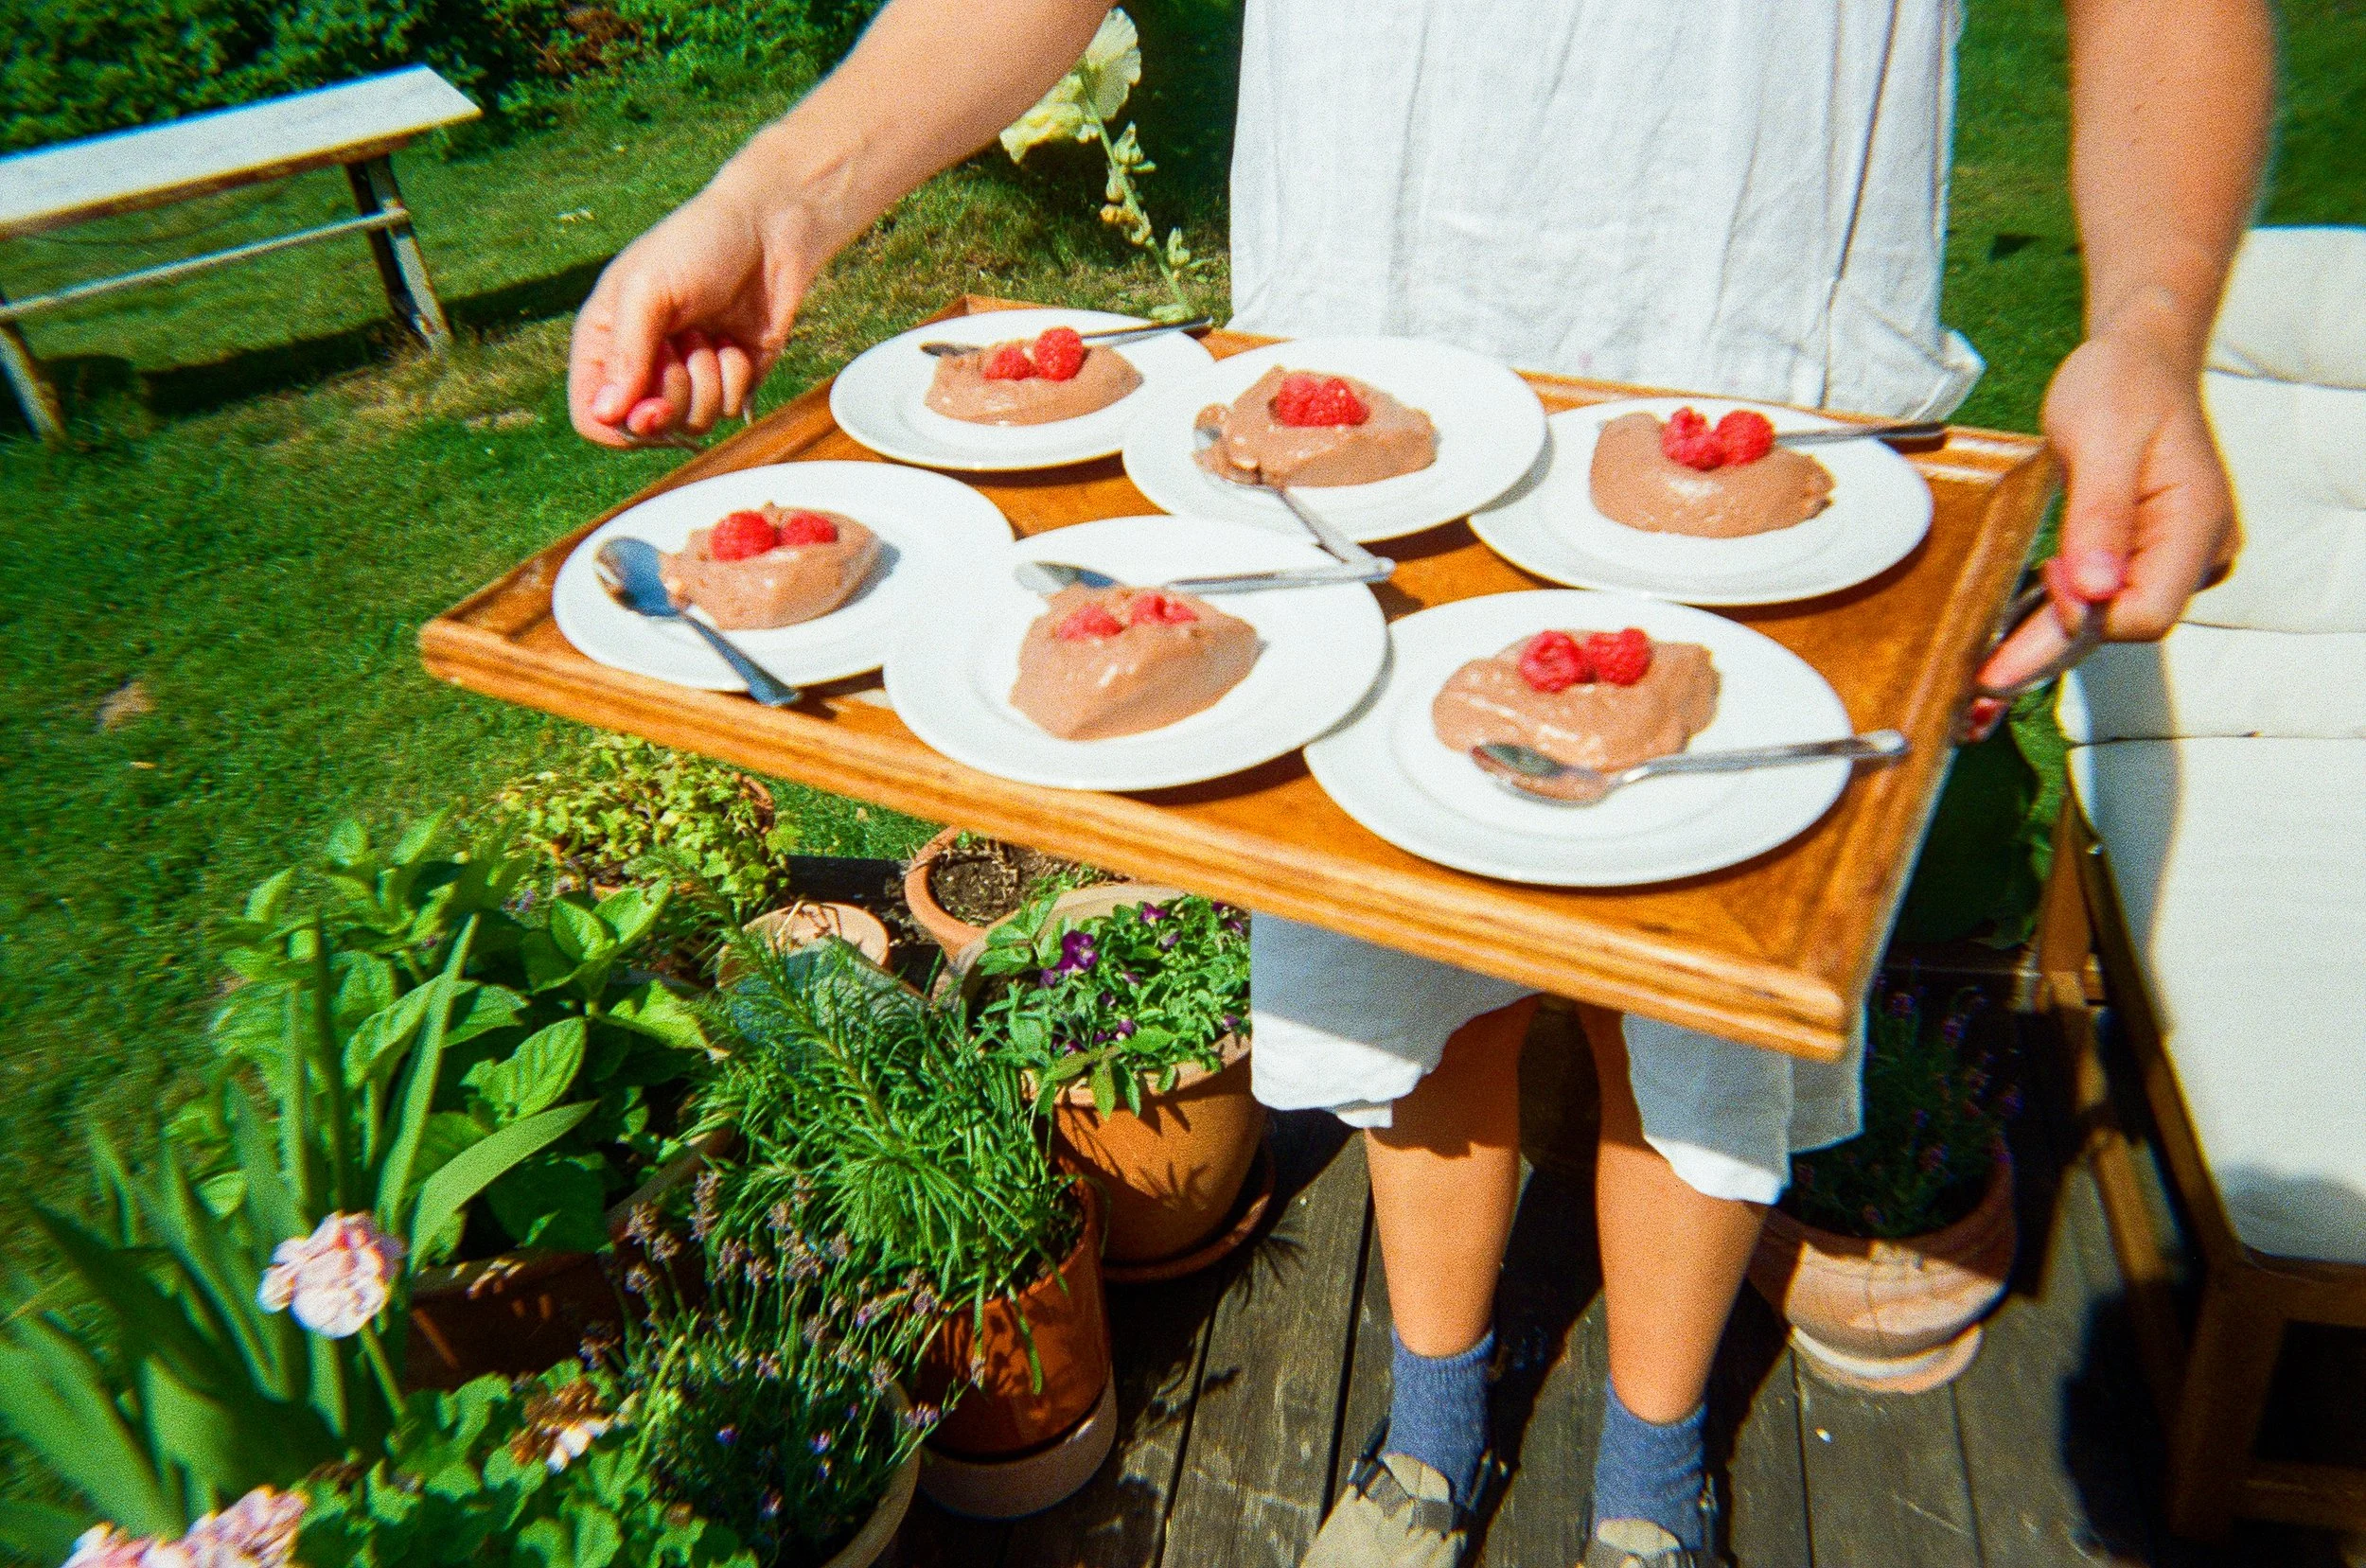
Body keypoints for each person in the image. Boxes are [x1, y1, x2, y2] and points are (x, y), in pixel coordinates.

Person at [567, 4, 2269, 1563]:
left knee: (1696, 1031)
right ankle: (1435, 1430)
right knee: (1400, 983)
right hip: (1353, 428)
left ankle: (1653, 1472)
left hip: (1771, 396)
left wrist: (2146, 325)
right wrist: (783, 192)